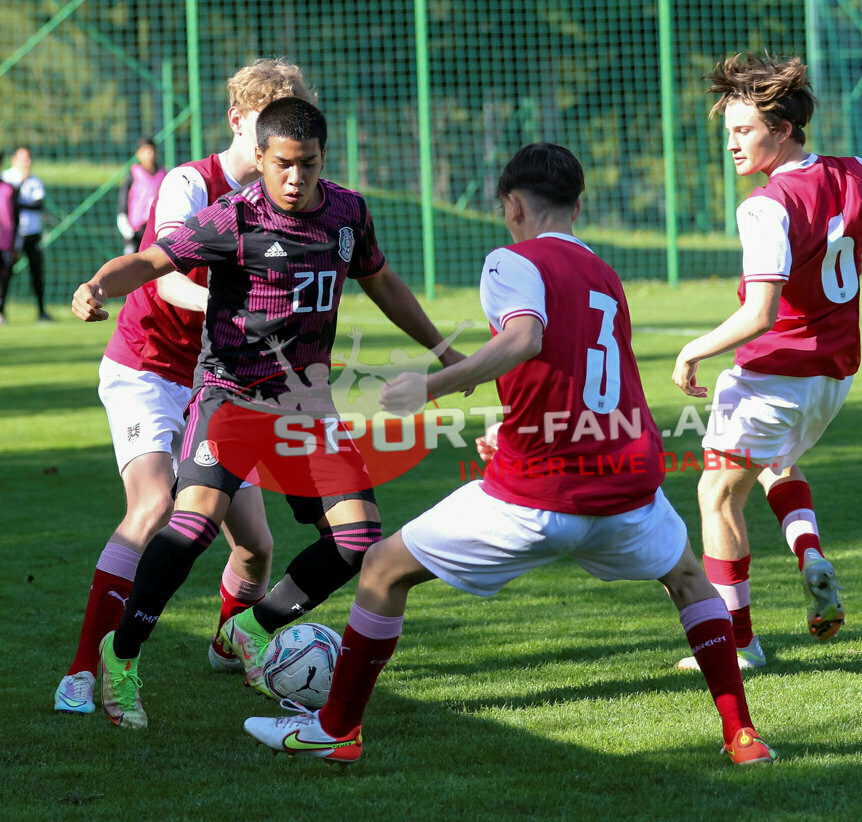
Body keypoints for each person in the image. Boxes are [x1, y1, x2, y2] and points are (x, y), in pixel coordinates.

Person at [243, 143, 778, 766]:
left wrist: (431, 384)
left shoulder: (510, 261)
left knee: (383, 569)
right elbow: (585, 378)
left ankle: (335, 729)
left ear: (513, 205)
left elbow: (526, 339)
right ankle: (742, 736)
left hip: (537, 497)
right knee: (688, 578)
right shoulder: (605, 275)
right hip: (626, 484)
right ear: (578, 205)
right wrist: (516, 428)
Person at [71, 96, 465, 730]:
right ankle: (121, 657)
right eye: (282, 164)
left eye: (307, 165)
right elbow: (151, 260)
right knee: (194, 526)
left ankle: (249, 628)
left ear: (322, 160)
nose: (294, 178)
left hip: (305, 408)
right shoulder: (234, 216)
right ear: (260, 156)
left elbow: (382, 280)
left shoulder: (347, 213)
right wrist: (97, 285)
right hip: (230, 398)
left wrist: (442, 348)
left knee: (359, 540)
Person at [671, 54, 862, 672]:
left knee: (717, 497)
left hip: (774, 374)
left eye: (742, 131)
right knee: (776, 463)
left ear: (782, 128)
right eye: (728, 133)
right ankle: (809, 553)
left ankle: (737, 644)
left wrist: (694, 347)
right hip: (834, 380)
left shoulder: (765, 205)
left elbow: (761, 315)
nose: (731, 145)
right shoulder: (857, 174)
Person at [53, 59, 317, 717]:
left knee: (256, 546)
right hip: (146, 368)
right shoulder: (188, 185)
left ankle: (229, 642)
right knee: (152, 505)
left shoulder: (292, 196)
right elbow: (165, 274)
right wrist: (231, 304)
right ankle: (85, 670)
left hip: (222, 381)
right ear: (237, 120)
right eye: (268, 124)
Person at [1, 146, 49, 321]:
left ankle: (42, 311)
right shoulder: (6, 178)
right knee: (6, 273)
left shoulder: (34, 181)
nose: (27, 162)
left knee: (37, 272)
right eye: (23, 158)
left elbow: (38, 204)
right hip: (11, 235)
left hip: (32, 233)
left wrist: (17, 203)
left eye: (29, 158)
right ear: (14, 160)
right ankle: (1, 311)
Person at [117, 138, 166, 255]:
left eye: (151, 150)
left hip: (155, 227)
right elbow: (123, 200)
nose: (149, 154)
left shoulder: (163, 174)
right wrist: (124, 223)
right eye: (145, 151)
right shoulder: (133, 174)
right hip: (136, 230)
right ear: (138, 154)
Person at [0, 151, 16, 325]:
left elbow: (14, 217)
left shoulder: (7, 188)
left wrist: (14, 242)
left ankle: (1, 310)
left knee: (4, 277)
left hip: (4, 243)